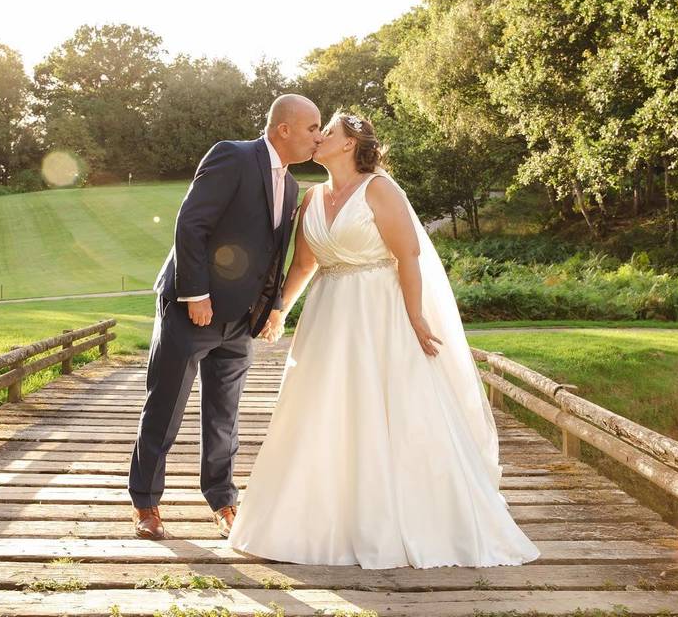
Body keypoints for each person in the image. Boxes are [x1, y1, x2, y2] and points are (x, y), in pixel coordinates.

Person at [227, 111, 541, 569]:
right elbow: (302, 266)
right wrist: (279, 311)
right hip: (327, 316)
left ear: (350, 144)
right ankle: (315, 520)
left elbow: (409, 254)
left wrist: (415, 315)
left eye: (326, 132)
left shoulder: (379, 188)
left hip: (379, 312)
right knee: (321, 407)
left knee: (389, 404)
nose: (317, 137)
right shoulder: (312, 198)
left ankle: (399, 516)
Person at [128, 94, 322, 539]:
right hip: (190, 308)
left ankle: (222, 499)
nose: (319, 135)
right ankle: (146, 503)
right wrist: (195, 293)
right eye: (312, 127)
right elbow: (190, 224)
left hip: (240, 320)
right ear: (284, 128)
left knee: (224, 414)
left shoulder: (291, 186)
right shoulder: (231, 155)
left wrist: (272, 305)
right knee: (166, 406)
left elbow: (274, 255)